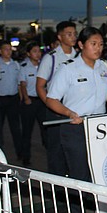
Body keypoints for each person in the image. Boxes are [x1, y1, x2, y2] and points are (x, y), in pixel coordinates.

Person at [46, 26, 107, 213]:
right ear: (81, 45)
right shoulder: (68, 69)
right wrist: (69, 112)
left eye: (100, 44)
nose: (98, 48)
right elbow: (51, 99)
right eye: (93, 44)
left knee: (103, 176)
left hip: (99, 129)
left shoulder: (103, 68)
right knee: (79, 178)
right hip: (75, 128)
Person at [36, 20, 78, 177]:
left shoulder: (79, 56)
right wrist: (50, 104)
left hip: (75, 108)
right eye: (69, 34)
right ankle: (58, 191)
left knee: (75, 150)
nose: (73, 37)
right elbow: (40, 85)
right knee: (56, 151)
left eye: (74, 33)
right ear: (60, 37)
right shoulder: (51, 58)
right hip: (56, 108)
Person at [18, 42, 44, 166]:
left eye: (39, 51)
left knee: (45, 129)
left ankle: (49, 152)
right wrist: (26, 98)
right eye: (34, 51)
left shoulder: (44, 66)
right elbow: (22, 85)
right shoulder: (23, 67)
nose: (38, 54)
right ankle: (25, 157)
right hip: (30, 101)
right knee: (27, 131)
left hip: (42, 101)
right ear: (28, 54)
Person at [0, 42, 22, 162]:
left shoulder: (16, 64)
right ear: (0, 51)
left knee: (16, 128)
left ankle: (20, 153)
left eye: (9, 49)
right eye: (5, 49)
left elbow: (19, 83)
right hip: (0, 99)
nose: (8, 51)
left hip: (13, 99)